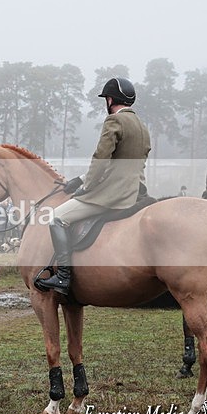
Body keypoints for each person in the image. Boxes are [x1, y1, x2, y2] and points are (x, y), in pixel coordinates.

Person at [35, 78, 150, 295]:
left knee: (57, 218)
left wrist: (86, 187)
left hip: (111, 195)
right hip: (134, 191)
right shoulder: (141, 126)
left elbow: (101, 158)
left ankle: (63, 277)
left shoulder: (114, 121)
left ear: (109, 100)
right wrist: (78, 179)